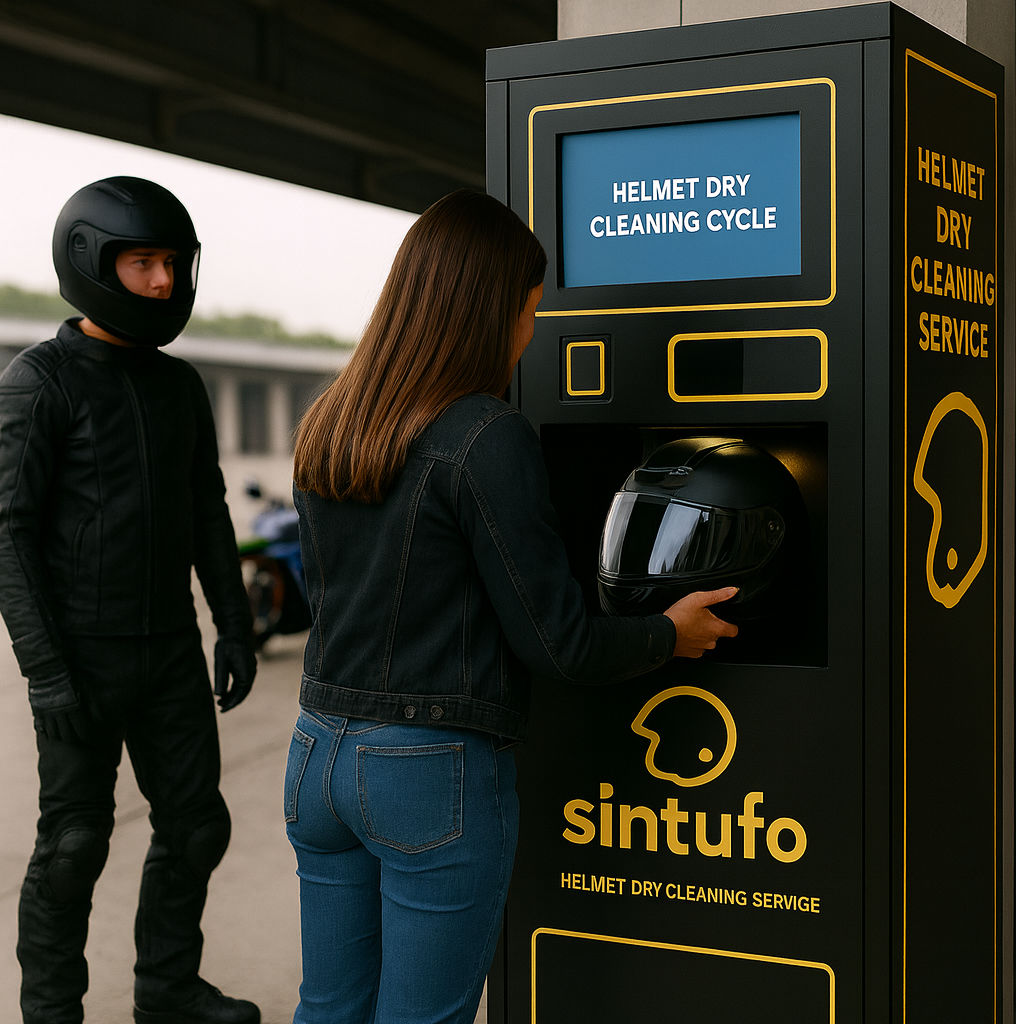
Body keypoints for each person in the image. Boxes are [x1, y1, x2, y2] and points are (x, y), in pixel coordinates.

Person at [285, 189, 738, 1024]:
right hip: (426, 768)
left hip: (317, 753)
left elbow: (334, 598)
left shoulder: (330, 424)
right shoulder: (485, 435)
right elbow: (557, 642)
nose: (530, 333)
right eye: (529, 311)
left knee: (330, 1009)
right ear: (487, 312)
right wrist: (668, 633)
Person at [0, 177, 260, 1024]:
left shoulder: (179, 387)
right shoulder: (38, 382)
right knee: (74, 845)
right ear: (89, 262)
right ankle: (50, 1012)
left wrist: (235, 623)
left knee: (196, 828)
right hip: (78, 660)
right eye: (142, 262)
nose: (161, 281)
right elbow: (6, 533)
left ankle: (168, 990)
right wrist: (44, 672)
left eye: (171, 263)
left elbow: (207, 511)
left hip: (170, 653)